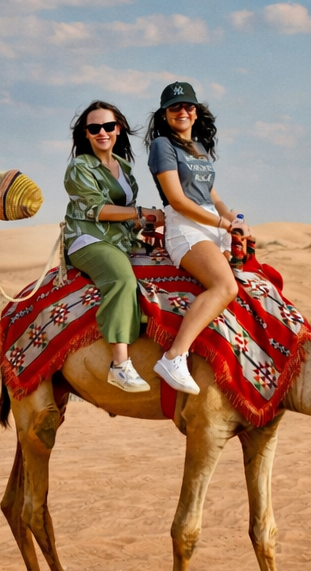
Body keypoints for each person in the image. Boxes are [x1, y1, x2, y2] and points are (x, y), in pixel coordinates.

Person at [146, 81, 246, 395]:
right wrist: (221, 222)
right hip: (186, 227)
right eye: (175, 107)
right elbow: (178, 200)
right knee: (225, 286)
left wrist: (235, 220)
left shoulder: (200, 148)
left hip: (212, 225)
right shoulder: (162, 145)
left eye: (188, 106)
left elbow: (212, 195)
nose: (183, 111)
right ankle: (173, 357)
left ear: (196, 111)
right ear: (164, 113)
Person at [63, 101, 163, 392]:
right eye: (95, 128)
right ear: (86, 133)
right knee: (122, 279)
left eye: (108, 126)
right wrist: (142, 213)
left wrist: (148, 223)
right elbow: (98, 210)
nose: (102, 132)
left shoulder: (125, 168)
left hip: (122, 239)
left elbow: (128, 215)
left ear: (118, 128)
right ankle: (119, 364)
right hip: (90, 239)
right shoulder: (80, 167)